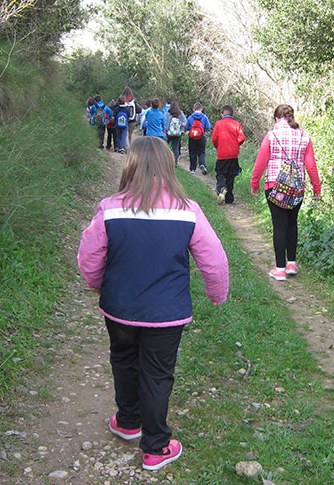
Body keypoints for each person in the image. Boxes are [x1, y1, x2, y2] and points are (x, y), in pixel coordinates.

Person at [77, 136, 229, 472]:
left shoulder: (111, 207)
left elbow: (90, 256)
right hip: (167, 312)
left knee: (123, 359)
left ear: (130, 165)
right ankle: (156, 445)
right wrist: (217, 294)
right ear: (168, 165)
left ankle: (129, 420)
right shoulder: (188, 211)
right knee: (158, 374)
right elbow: (214, 261)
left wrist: (94, 283)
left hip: (119, 308)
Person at [250, 104, 321, 280]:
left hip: (274, 186)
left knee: (279, 226)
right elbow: (310, 165)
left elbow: (260, 162)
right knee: (292, 224)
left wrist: (254, 183)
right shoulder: (304, 136)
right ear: (292, 117)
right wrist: (316, 187)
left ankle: (280, 268)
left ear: (276, 119)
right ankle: (291, 264)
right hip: (297, 188)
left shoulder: (272, 136)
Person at [211, 105, 246, 204]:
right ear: (233, 114)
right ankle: (229, 198)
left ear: (222, 114)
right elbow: (242, 137)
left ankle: (222, 188)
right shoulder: (237, 124)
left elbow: (214, 138)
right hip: (234, 154)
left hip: (222, 154)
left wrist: (218, 146)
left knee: (220, 173)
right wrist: (236, 143)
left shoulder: (218, 123)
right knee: (231, 175)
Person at [185, 103, 212, 174]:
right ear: (201, 109)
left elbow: (187, 127)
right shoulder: (204, 117)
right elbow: (208, 127)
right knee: (201, 152)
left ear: (193, 109)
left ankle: (192, 169)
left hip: (192, 137)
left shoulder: (190, 117)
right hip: (202, 136)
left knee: (192, 152)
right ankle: (202, 164)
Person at [164, 101, 186, 167]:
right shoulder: (180, 113)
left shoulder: (167, 113)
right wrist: (182, 130)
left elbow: (164, 122)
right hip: (177, 134)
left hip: (169, 133)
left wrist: (166, 130)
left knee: (165, 147)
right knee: (175, 148)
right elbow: (185, 122)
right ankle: (175, 163)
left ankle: (165, 161)